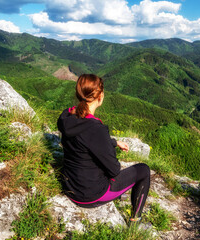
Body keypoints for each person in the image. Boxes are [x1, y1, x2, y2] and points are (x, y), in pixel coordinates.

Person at [57, 74, 150, 223]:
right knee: (144, 170)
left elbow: (85, 140)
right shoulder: (96, 129)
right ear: (100, 96)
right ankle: (136, 221)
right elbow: (114, 170)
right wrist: (109, 149)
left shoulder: (66, 117)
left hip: (70, 187)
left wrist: (113, 142)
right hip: (90, 195)